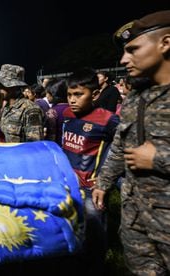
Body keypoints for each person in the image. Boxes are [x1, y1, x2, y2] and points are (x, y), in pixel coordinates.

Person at [92, 10, 170, 274]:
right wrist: (104, 182)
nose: (124, 59)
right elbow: (120, 144)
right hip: (136, 218)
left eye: (133, 49)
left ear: (166, 43)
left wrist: (158, 158)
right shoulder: (136, 96)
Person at [62, 68, 120, 275]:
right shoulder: (66, 115)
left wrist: (104, 181)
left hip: (92, 188)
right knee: (71, 230)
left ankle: (96, 268)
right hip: (68, 185)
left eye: (79, 95)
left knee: (95, 235)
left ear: (95, 95)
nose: (72, 100)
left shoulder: (108, 120)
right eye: (69, 94)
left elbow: (121, 149)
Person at [0, 64, 44, 142]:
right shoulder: (5, 107)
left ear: (14, 86)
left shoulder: (31, 110)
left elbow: (34, 145)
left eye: (2, 84)